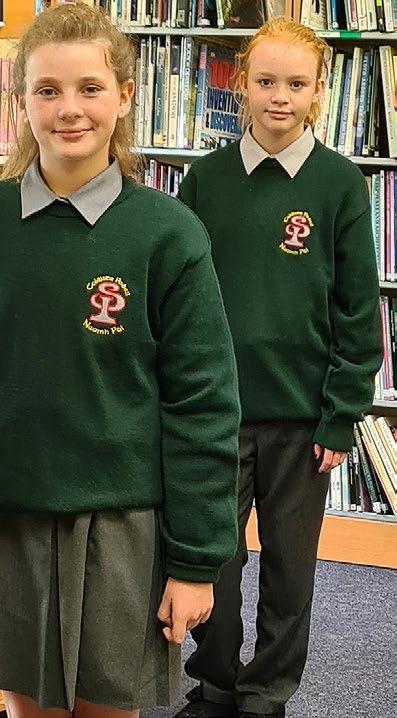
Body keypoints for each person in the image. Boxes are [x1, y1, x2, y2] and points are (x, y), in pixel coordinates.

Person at [0, 4, 241, 717]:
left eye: (89, 88)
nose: (68, 108)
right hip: (9, 516)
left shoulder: (167, 233)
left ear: (125, 97)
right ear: (20, 103)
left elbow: (202, 406)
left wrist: (196, 562)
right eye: (47, 90)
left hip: (121, 525)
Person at [175, 18, 382, 718]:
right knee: (212, 561)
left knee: (290, 571)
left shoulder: (339, 184)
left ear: (319, 90)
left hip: (302, 421)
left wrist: (341, 413)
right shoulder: (203, 182)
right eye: (265, 81)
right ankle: (214, 683)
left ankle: (267, 692)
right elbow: (177, 300)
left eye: (296, 84)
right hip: (215, 416)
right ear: (241, 83)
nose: (279, 97)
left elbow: (358, 310)